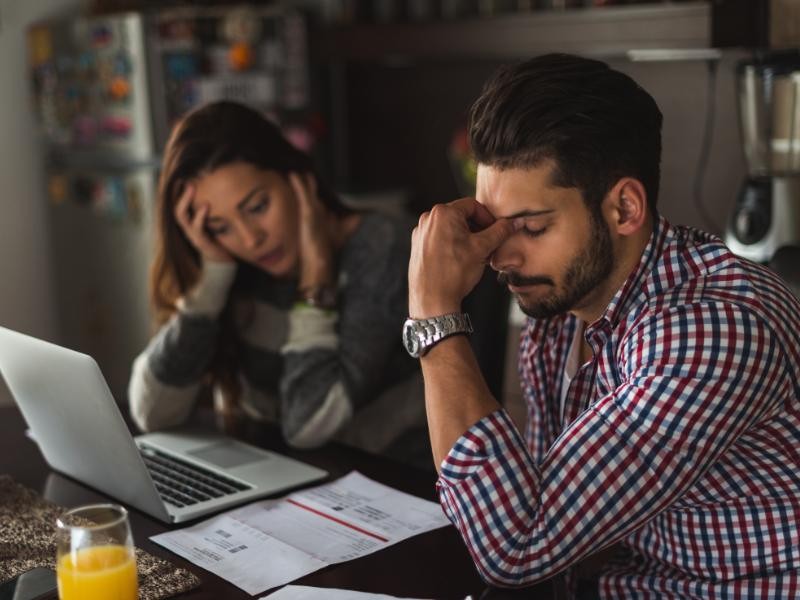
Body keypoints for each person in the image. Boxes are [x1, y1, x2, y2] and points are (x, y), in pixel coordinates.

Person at [404, 53, 800, 598]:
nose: (501, 256)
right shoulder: (560, 313)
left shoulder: (712, 330)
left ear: (624, 209)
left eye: (531, 227)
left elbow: (517, 544)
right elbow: (545, 526)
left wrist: (434, 317)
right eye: (494, 226)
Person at [129, 101, 425, 462]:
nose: (250, 239)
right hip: (281, 480)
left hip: (388, 487)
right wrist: (212, 280)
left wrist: (316, 279)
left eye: (256, 207)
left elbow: (307, 425)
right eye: (220, 227)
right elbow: (151, 412)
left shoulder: (381, 247)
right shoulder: (234, 264)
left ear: (296, 176)